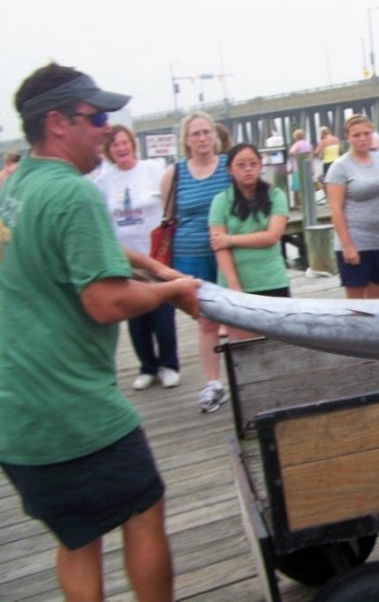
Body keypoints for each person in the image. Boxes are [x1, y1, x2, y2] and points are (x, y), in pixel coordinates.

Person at [0, 62, 201, 601]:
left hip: (17, 416)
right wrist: (172, 292)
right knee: (144, 508)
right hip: (70, 411)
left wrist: (151, 267)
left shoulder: (18, 184)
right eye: (97, 118)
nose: (109, 130)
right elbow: (106, 301)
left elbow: (81, 251)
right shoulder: (75, 194)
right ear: (58, 123)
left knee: (78, 537)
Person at [95, 125, 181, 390]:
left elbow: (170, 202)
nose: (121, 148)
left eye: (124, 142)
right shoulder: (102, 182)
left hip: (155, 254)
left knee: (162, 313)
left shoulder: (153, 170)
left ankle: (169, 365)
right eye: (114, 145)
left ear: (132, 144)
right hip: (124, 260)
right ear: (109, 151)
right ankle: (147, 366)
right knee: (135, 316)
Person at [160, 110, 231, 413]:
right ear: (186, 141)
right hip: (189, 255)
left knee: (242, 319)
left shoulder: (229, 166)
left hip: (227, 253)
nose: (202, 139)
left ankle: (248, 379)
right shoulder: (174, 173)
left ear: (214, 136)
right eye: (195, 134)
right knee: (206, 322)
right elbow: (167, 216)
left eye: (206, 132)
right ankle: (214, 384)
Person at [208, 143, 290, 340]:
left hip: (272, 279)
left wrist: (230, 239)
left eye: (253, 163)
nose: (248, 169)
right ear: (229, 170)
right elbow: (219, 246)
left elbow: (272, 236)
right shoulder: (220, 201)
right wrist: (234, 285)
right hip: (239, 285)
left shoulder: (276, 195)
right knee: (244, 346)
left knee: (280, 343)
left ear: (261, 165)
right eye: (241, 165)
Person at [326, 114, 379, 299]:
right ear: (347, 137)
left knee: (377, 299)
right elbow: (335, 208)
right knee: (356, 303)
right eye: (357, 135)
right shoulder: (339, 167)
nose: (363, 138)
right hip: (355, 242)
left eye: (367, 133)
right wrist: (348, 246)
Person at [287, 128, 313, 209]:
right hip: (307, 167)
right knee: (306, 186)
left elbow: (291, 152)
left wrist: (296, 156)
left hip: (297, 168)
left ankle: (296, 205)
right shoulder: (308, 144)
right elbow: (311, 156)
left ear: (296, 137)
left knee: (296, 187)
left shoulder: (297, 144)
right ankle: (307, 203)